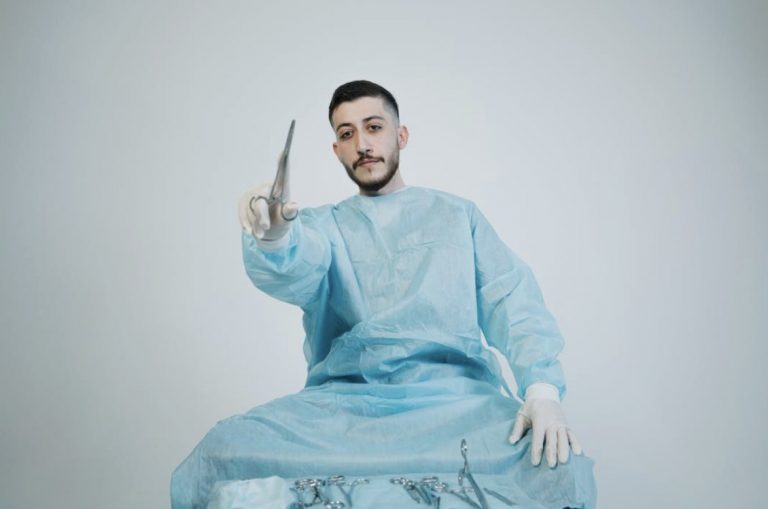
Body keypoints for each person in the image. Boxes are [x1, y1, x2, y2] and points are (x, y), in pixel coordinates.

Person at [171, 80, 596, 508]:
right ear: (336, 150)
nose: (362, 144)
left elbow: (511, 300)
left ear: (401, 135)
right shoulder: (323, 227)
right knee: (222, 452)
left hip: (456, 408)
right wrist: (276, 236)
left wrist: (541, 389)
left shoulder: (456, 216)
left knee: (556, 469)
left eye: (374, 127)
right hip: (342, 412)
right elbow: (297, 266)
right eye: (347, 133)